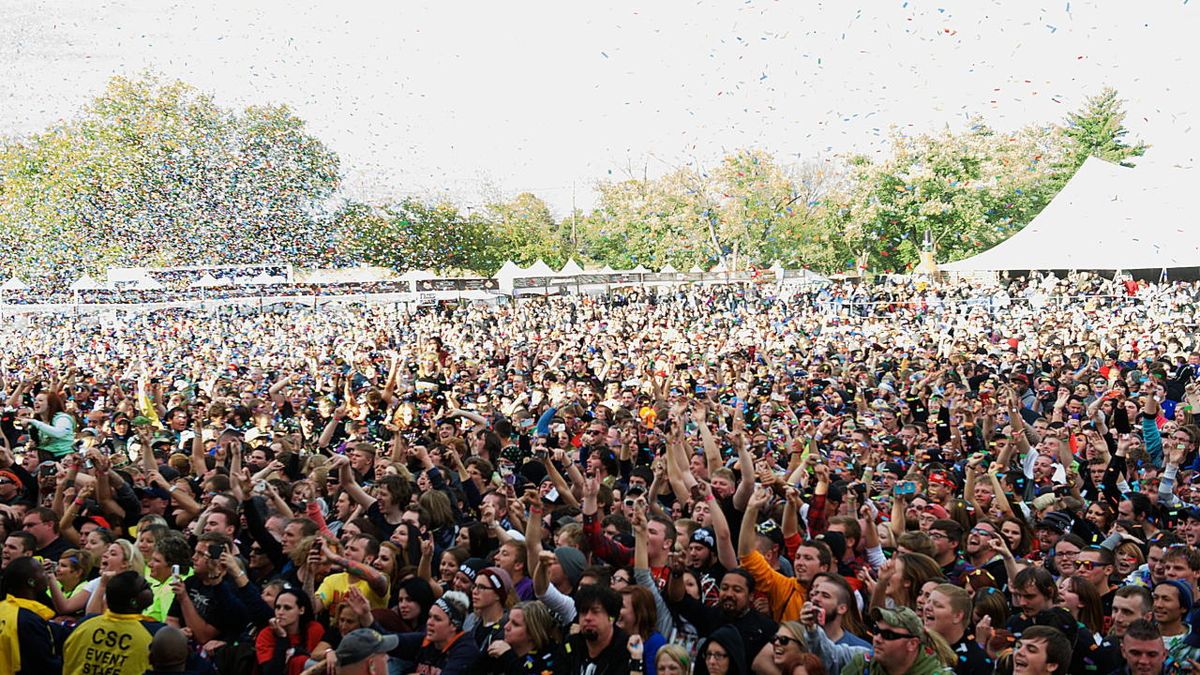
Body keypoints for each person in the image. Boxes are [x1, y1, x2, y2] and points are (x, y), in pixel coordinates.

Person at [63, 570, 163, 674]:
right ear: (133, 601)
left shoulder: (85, 623)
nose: (150, 588)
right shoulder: (156, 633)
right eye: (146, 586)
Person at [389, 590, 479, 674]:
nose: (429, 622)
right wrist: (374, 624)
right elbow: (390, 641)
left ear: (453, 625)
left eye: (437, 619)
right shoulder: (427, 640)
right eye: (430, 616)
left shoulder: (466, 651)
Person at [0, 556, 62, 675]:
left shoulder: (3, 608)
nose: (47, 575)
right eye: (42, 571)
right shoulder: (28, 621)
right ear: (31, 582)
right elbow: (44, 665)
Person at [255, 587, 332, 675]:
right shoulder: (266, 634)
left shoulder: (314, 629)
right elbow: (272, 672)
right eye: (277, 607)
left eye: (287, 608)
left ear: (301, 610)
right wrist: (282, 637)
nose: (280, 612)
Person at [558, 584, 631, 675]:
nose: (588, 618)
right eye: (584, 612)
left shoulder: (626, 651)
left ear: (611, 618)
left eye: (595, 612)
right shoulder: (571, 645)